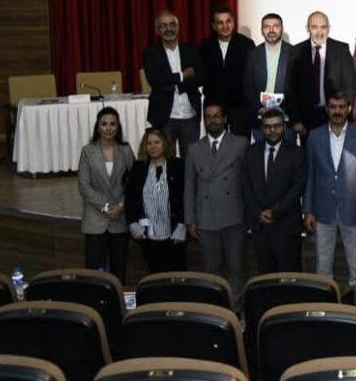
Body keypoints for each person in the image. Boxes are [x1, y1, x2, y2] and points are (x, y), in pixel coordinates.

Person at [304, 91, 356, 286]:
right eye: (333, 107)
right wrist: (308, 210)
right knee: (322, 270)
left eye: (341, 107)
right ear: (327, 109)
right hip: (322, 211)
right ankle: (324, 304)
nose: (337, 111)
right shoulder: (314, 136)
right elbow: (310, 175)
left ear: (349, 109)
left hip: (353, 210)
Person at [184, 101, 248, 297]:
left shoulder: (240, 143)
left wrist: (249, 215)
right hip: (206, 217)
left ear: (224, 119)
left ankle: (236, 307)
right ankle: (217, 306)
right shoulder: (194, 148)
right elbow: (189, 186)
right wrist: (190, 219)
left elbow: (248, 182)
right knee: (212, 269)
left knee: (236, 268)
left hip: (234, 215)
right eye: (208, 117)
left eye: (217, 116)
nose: (212, 120)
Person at [243, 108, 307, 273]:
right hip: (260, 228)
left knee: (290, 277)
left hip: (287, 226)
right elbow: (246, 187)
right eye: (268, 126)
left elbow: (298, 188)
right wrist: (258, 213)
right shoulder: (251, 152)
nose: (272, 130)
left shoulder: (296, 153)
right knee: (265, 278)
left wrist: (274, 212)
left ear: (284, 127)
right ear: (261, 128)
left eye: (277, 126)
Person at [78, 107, 135, 283]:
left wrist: (122, 206)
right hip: (95, 220)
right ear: (98, 127)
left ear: (118, 127)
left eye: (112, 124)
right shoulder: (87, 151)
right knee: (95, 276)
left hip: (119, 219)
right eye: (104, 124)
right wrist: (105, 207)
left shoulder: (126, 150)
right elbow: (84, 186)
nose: (108, 128)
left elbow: (134, 183)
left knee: (119, 272)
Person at [144, 9, 206, 154]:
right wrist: (182, 75)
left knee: (190, 160)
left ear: (178, 28)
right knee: (166, 158)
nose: (169, 29)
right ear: (157, 30)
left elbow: (202, 76)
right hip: (165, 117)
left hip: (190, 116)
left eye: (172, 25)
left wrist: (176, 85)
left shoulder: (191, 50)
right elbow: (155, 81)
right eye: (163, 26)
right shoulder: (151, 53)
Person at [125, 128, 186, 274]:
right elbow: (130, 198)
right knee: (155, 276)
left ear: (165, 144)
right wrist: (133, 223)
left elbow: (186, 197)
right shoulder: (139, 167)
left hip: (174, 233)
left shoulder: (178, 166)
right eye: (149, 143)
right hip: (147, 235)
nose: (153, 146)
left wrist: (182, 224)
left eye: (157, 142)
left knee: (176, 276)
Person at [288, 11, 356, 137]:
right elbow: (291, 88)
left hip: (336, 114)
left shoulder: (341, 49)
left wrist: (345, 113)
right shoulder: (296, 51)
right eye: (314, 27)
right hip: (306, 119)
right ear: (307, 28)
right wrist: (296, 119)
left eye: (323, 27)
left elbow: (350, 85)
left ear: (329, 28)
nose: (319, 32)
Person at [200, 4, 255, 138]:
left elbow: (252, 76)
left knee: (241, 144)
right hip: (214, 105)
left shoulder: (246, 45)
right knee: (215, 144)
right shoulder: (206, 46)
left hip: (240, 106)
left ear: (233, 22)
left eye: (228, 21)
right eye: (220, 23)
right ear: (214, 26)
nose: (225, 26)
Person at [244, 13, 294, 140]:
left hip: (286, 117)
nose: (271, 30)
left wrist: (285, 108)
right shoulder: (253, 54)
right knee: (261, 151)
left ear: (282, 29)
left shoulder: (294, 53)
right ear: (262, 30)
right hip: (260, 116)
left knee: (287, 151)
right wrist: (260, 108)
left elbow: (299, 87)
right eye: (267, 26)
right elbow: (247, 86)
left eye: (275, 26)